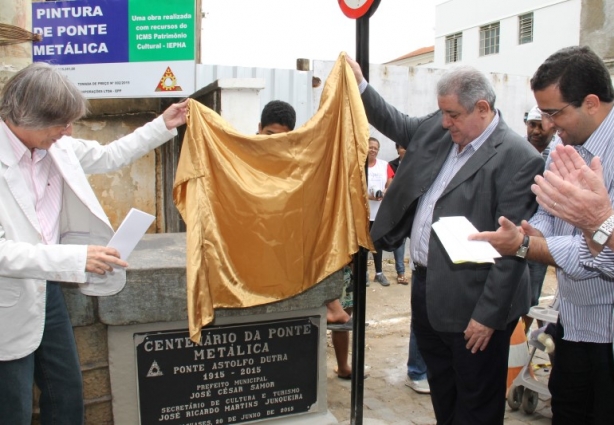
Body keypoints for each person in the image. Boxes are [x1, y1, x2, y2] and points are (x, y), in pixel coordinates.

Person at [346, 56, 543, 424]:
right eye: (442, 113)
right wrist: (359, 85)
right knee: (444, 394)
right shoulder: (443, 130)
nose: (443, 122)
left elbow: (512, 248)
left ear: (482, 108)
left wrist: (487, 317)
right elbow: (398, 123)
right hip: (427, 290)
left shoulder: (519, 159)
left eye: (452, 114)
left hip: (474, 304)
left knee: (476, 404)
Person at [0, 62, 187, 424]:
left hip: (47, 289)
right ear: (25, 117)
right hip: (7, 296)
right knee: (14, 404)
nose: (68, 131)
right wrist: (74, 258)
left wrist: (163, 124)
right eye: (61, 123)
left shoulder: (56, 146)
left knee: (67, 390)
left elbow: (109, 155)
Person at [470, 46, 614, 424]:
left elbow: (598, 255)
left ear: (592, 103)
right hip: (573, 322)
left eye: (554, 113)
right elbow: (548, 214)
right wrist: (531, 233)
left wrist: (529, 246)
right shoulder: (562, 148)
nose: (548, 124)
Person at [523, 105, 557, 332]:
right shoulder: (518, 152)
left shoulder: (556, 158)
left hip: (540, 239)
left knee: (530, 296)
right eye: (531, 125)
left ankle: (521, 344)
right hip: (516, 234)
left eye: (540, 125)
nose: (536, 131)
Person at [367, 136, 393, 287]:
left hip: (378, 213)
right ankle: (363, 273)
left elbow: (391, 181)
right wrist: (368, 196)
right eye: (370, 147)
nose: (373, 150)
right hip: (363, 213)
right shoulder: (360, 165)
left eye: (376, 148)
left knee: (377, 244)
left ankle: (378, 273)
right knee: (363, 245)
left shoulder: (384, 165)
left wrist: (384, 192)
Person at [388, 143, 408, 285]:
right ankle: (401, 272)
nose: (405, 150)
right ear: (397, 149)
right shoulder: (391, 165)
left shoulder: (419, 162)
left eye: (407, 146)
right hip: (397, 207)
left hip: (414, 207)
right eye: (401, 147)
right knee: (399, 241)